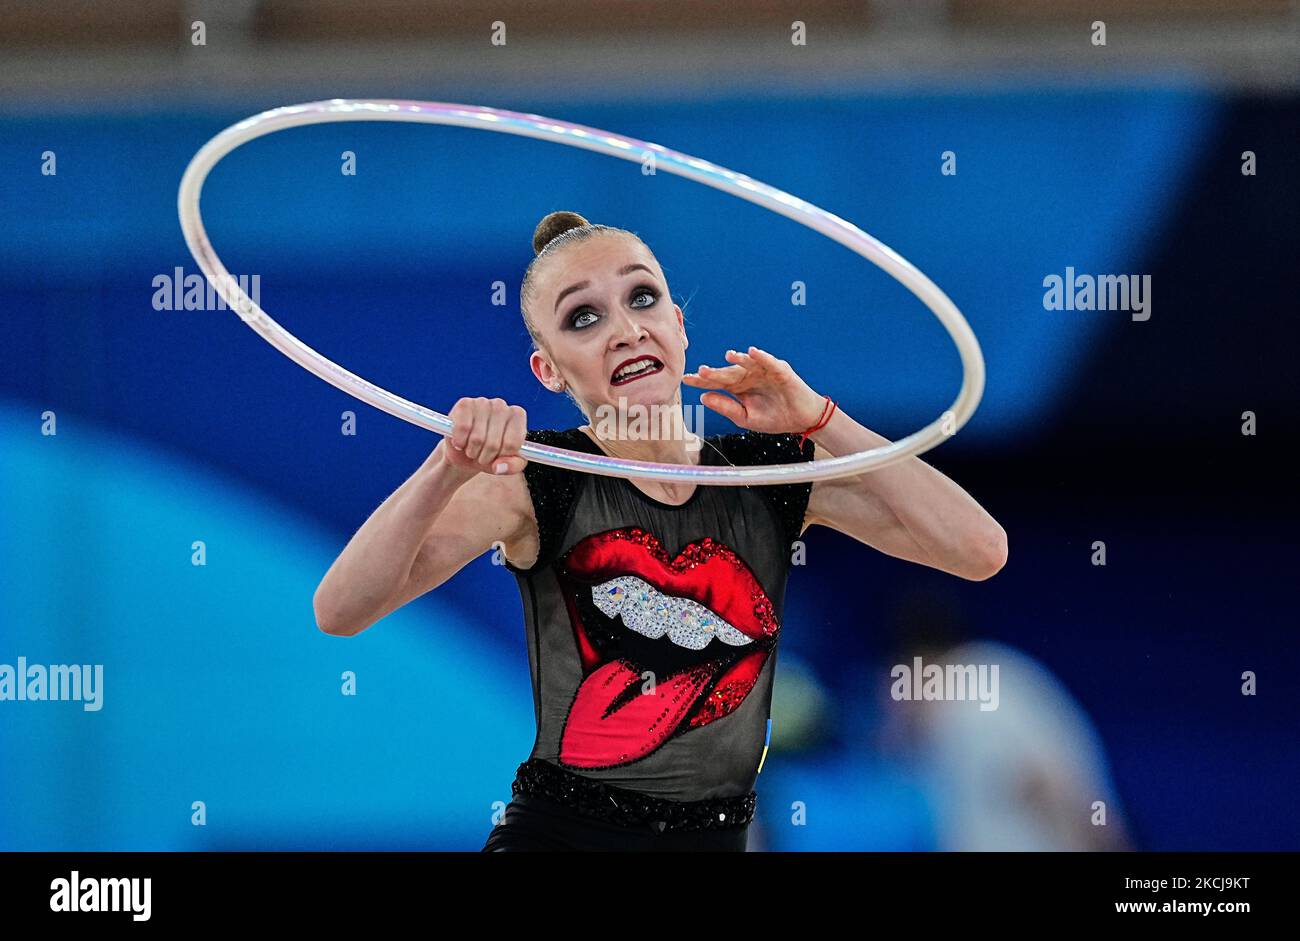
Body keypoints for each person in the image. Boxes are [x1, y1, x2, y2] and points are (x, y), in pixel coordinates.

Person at [312, 211, 1009, 851]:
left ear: (678, 324)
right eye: (583, 317)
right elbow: (340, 609)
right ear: (547, 369)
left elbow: (979, 550)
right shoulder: (533, 480)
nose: (624, 328)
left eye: (641, 298)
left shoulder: (767, 475)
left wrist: (823, 419)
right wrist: (444, 467)